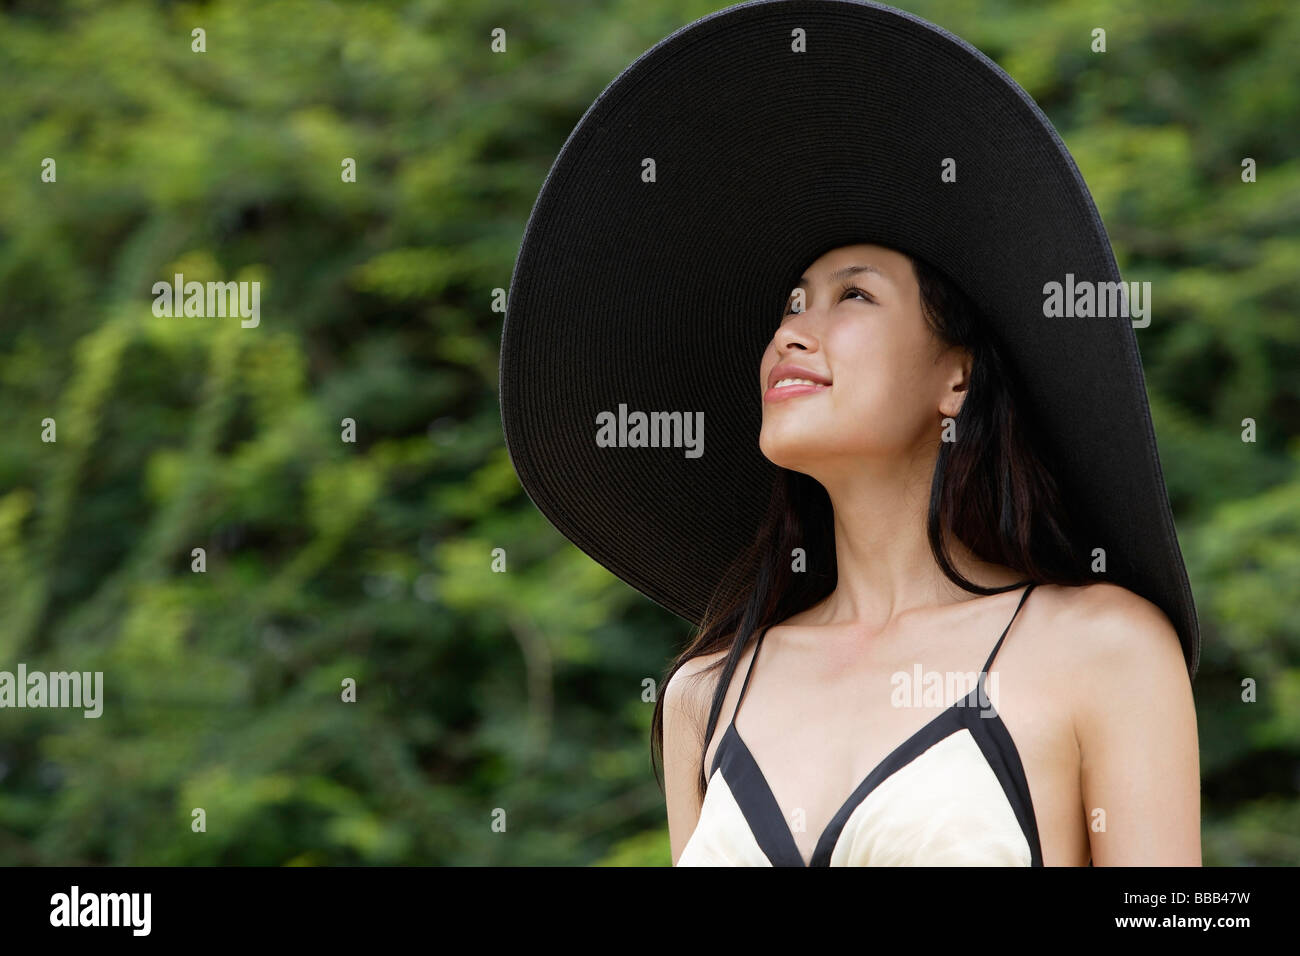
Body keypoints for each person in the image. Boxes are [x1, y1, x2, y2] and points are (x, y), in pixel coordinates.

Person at [498, 0, 1203, 866]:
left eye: (853, 295)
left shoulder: (1103, 648)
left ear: (959, 377)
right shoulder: (706, 694)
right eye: (789, 306)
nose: (792, 331)